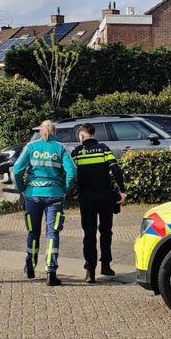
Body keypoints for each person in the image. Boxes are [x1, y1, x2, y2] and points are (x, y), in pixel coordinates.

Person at [12, 120, 77, 286]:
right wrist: (65, 189)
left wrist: (22, 188)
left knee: (33, 232)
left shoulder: (31, 147)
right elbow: (72, 171)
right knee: (52, 234)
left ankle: (30, 266)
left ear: (40, 131)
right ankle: (51, 272)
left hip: (32, 195)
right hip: (54, 196)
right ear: (55, 131)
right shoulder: (60, 148)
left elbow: (17, 169)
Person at [71, 123, 127, 283]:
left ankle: (90, 272)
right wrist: (122, 191)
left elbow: (71, 172)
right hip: (105, 197)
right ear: (93, 134)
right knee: (106, 231)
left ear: (82, 136)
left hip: (86, 199)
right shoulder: (103, 149)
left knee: (89, 235)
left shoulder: (77, 152)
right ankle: (106, 266)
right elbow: (116, 169)